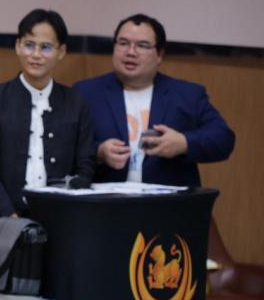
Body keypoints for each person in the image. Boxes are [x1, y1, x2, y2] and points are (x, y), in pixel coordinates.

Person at [0, 8, 95, 242]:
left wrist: (65, 208)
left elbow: (85, 165)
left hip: (59, 223)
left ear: (61, 52)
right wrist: (10, 216)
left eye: (46, 47)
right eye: (29, 45)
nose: (36, 54)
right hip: (0, 223)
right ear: (18, 46)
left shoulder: (75, 102)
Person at [74, 13, 236, 185]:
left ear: (159, 55)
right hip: (105, 199)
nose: (130, 52)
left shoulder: (187, 95)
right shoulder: (87, 92)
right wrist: (99, 152)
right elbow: (64, 145)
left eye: (142, 45)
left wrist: (184, 143)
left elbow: (223, 139)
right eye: (123, 43)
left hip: (168, 200)